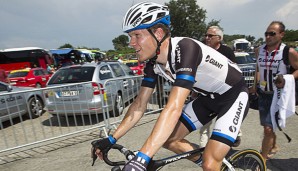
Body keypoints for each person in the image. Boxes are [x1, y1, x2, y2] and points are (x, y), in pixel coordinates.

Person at [92, 2, 249, 171]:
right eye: (130, 36)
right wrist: (111, 139)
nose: (131, 42)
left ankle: (216, 161)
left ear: (158, 33)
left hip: (233, 95)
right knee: (170, 140)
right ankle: (221, 162)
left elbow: (173, 108)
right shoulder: (153, 63)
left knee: (210, 166)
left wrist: (142, 158)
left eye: (137, 35)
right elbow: (139, 105)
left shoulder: (186, 48)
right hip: (208, 98)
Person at [251, 21, 298, 163]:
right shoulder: (259, 50)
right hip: (263, 94)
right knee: (268, 126)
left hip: (278, 96)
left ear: (282, 34)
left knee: (268, 129)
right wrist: (255, 85)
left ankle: (263, 160)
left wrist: (287, 78)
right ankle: (274, 145)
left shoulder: (288, 52)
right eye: (266, 33)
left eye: (272, 33)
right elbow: (258, 69)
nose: (268, 36)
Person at [199, 25, 242, 148]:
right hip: (205, 93)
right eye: (206, 35)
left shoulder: (227, 51)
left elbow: (235, 70)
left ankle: (235, 132)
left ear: (219, 38)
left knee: (224, 121)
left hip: (224, 93)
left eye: (210, 36)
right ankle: (203, 151)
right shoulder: (202, 49)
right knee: (204, 126)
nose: (207, 38)